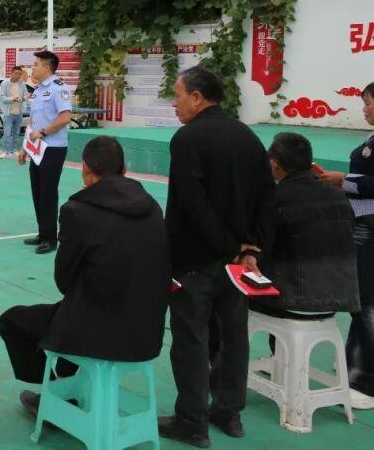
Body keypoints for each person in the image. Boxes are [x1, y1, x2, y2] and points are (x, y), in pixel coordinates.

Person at [0, 136, 170, 416]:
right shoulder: (152, 207)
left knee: (14, 321)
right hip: (147, 333)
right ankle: (66, 388)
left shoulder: (77, 211)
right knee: (76, 310)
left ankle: (55, 395)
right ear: (124, 170)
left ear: (86, 171)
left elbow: (64, 282)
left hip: (98, 332)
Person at [159, 65, 275, 447]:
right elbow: (267, 198)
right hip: (237, 263)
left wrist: (230, 246)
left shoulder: (187, 139)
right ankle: (229, 412)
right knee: (232, 338)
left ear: (196, 97)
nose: (174, 103)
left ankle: (192, 421)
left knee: (191, 340)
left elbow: (193, 205)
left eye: (177, 95)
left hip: (196, 260)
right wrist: (251, 248)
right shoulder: (248, 137)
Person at [251, 132, 359, 319]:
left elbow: (261, 246)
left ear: (274, 164)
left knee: (233, 289)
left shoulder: (276, 198)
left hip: (294, 299)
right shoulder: (338, 195)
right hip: (340, 298)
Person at [315, 80, 374, 410]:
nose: (364, 109)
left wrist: (345, 181)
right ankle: (356, 365)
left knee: (366, 302)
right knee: (362, 299)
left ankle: (367, 382)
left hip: (371, 226)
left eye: (368, 102)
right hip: (363, 221)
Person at [18, 50, 73, 255]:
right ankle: (42, 233)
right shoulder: (38, 90)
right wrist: (25, 147)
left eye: (36, 65)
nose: (32, 68)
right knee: (37, 192)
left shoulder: (59, 89)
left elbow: (65, 118)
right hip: (37, 149)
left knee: (48, 193)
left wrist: (42, 132)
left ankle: (51, 239)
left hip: (53, 148)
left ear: (47, 67)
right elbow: (33, 121)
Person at [0, 66, 28, 159]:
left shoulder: (22, 83)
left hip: (19, 112)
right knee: (7, 132)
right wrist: (12, 99)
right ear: (11, 73)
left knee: (16, 132)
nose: (18, 75)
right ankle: (5, 151)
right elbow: (1, 97)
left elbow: (26, 95)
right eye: (16, 73)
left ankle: (13, 150)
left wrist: (24, 98)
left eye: (19, 74)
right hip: (8, 112)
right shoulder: (5, 83)